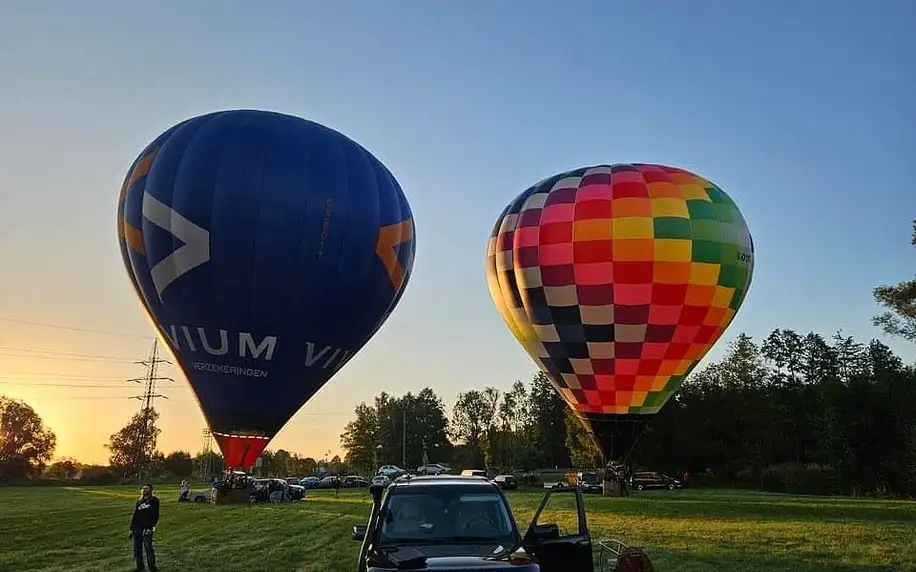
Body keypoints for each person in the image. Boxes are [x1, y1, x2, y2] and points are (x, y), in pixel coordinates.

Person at [128, 483, 160, 571]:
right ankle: (140, 567)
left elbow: (155, 516)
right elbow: (135, 516)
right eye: (143, 488)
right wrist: (131, 529)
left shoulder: (154, 500)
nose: (144, 490)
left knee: (148, 549)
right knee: (137, 550)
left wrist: (151, 528)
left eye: (147, 488)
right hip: (137, 529)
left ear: (151, 490)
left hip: (147, 529)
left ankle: (152, 568)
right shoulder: (139, 501)